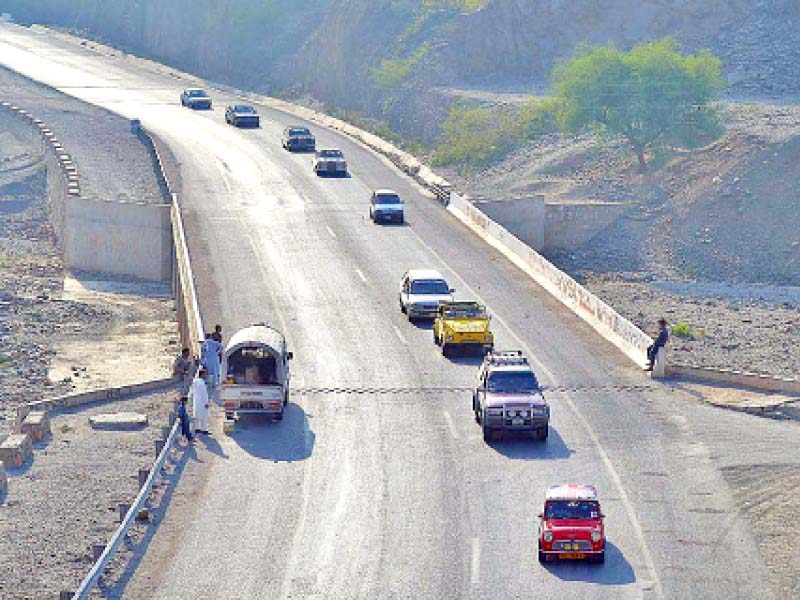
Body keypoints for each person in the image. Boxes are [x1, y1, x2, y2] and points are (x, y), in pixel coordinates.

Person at [200, 333, 224, 398]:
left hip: (207, 359)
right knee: (215, 371)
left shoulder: (204, 344)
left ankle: (207, 383)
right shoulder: (214, 343)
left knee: (207, 371)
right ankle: (214, 384)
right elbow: (222, 347)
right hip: (214, 359)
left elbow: (202, 353)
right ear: (210, 337)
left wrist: (202, 360)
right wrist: (217, 352)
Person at [190, 368, 211, 435]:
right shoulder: (201, 383)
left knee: (197, 415)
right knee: (203, 416)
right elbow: (204, 394)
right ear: (202, 374)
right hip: (202, 402)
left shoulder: (195, 381)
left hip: (196, 400)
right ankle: (204, 430)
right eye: (205, 374)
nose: (206, 375)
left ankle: (197, 428)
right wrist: (206, 403)